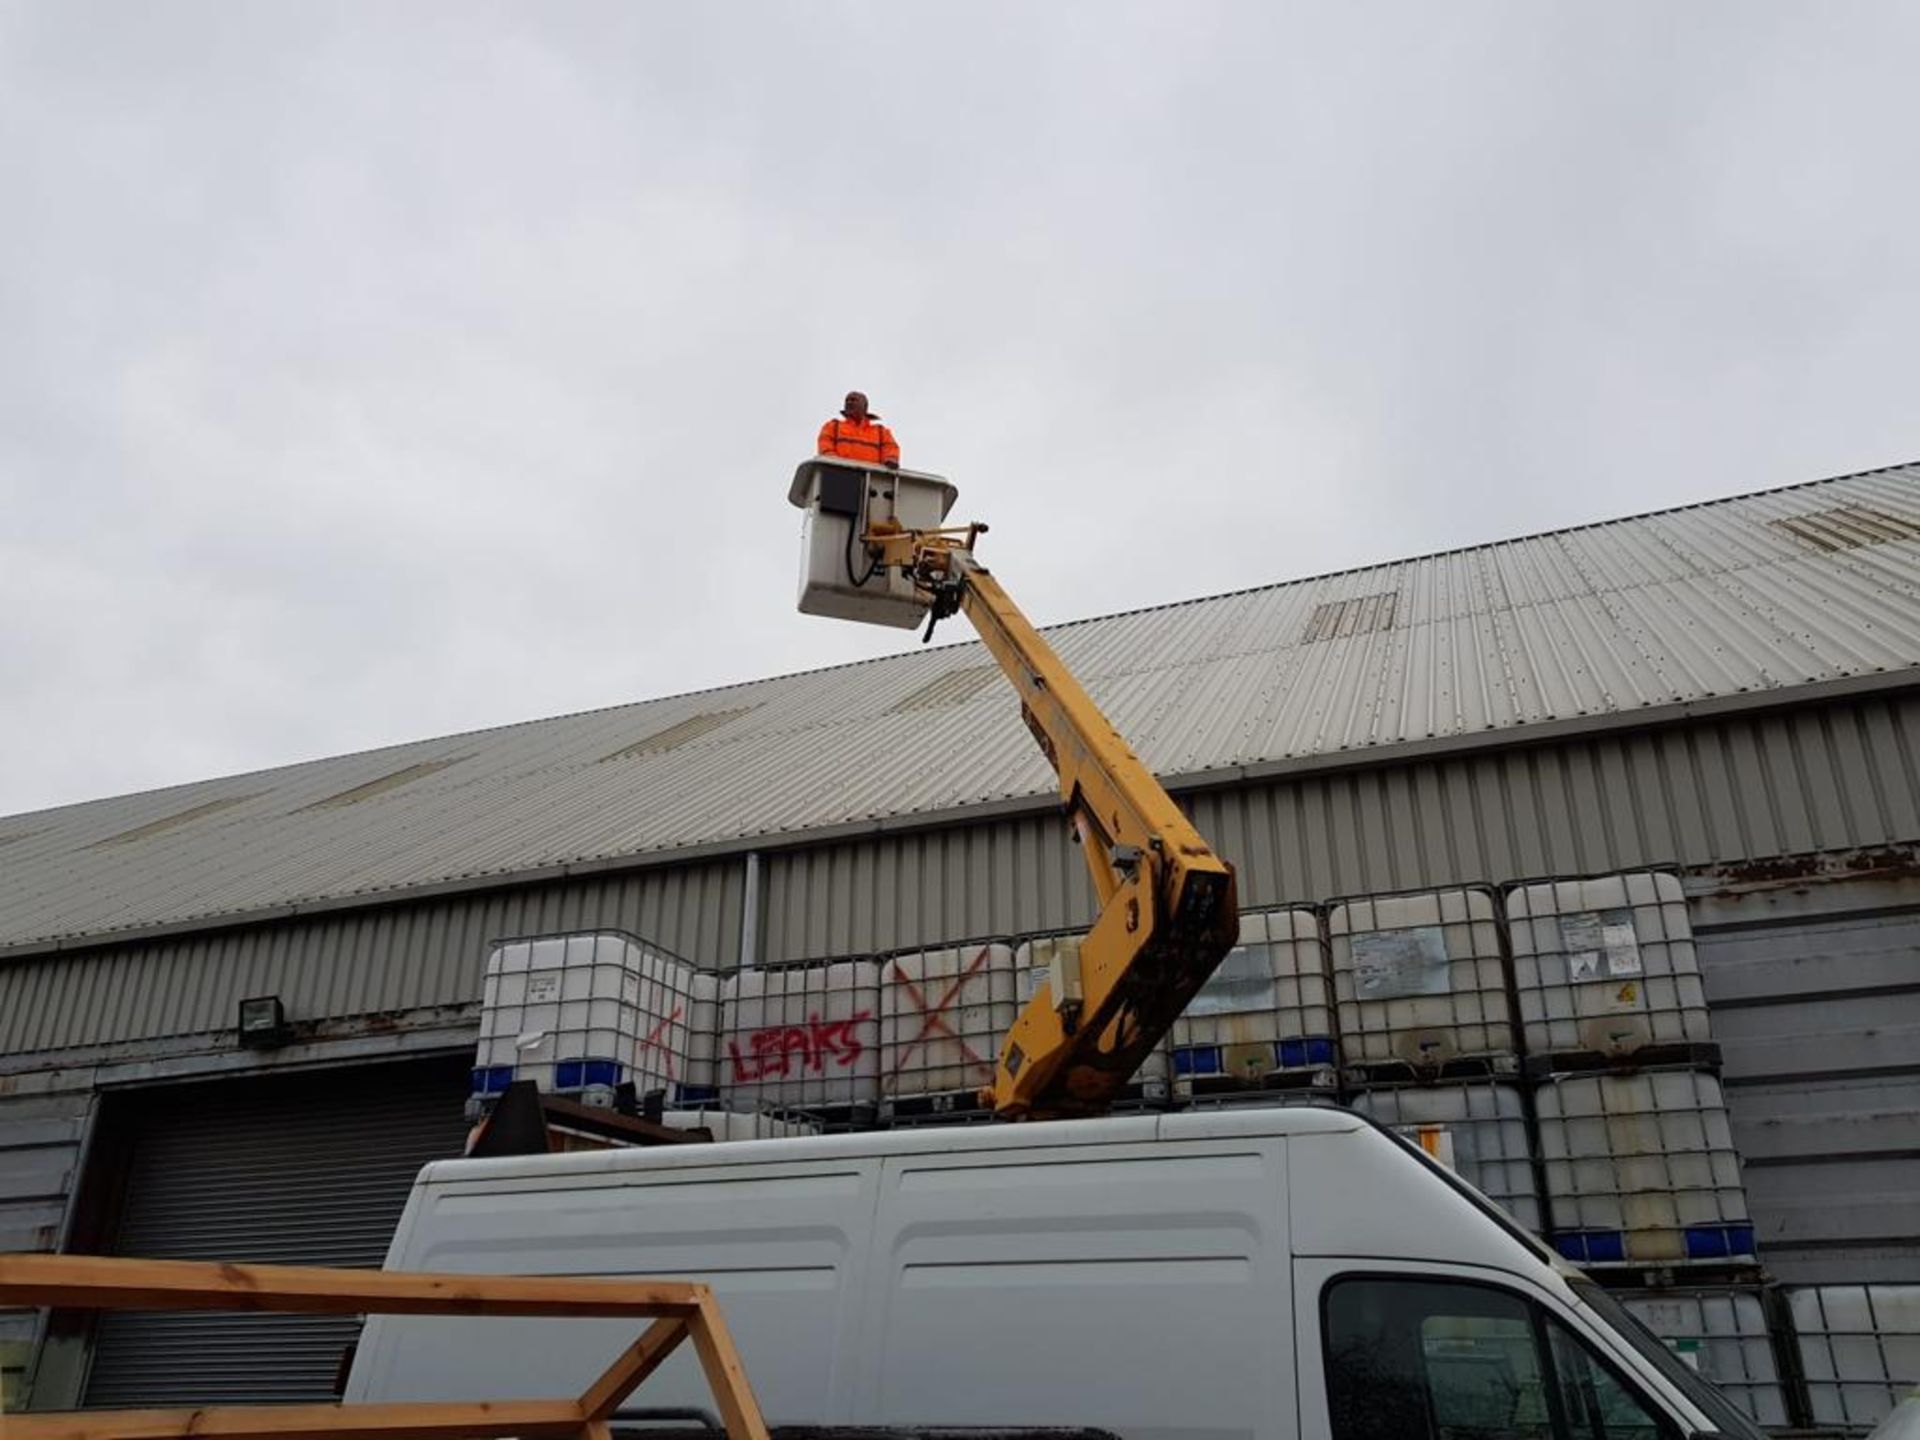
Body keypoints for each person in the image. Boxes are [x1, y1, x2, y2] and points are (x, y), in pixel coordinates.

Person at [817, 390, 900, 469]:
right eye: (847, 401)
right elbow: (825, 444)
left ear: (865, 406)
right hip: (840, 474)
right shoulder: (833, 426)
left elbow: (890, 447)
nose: (849, 402)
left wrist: (891, 459)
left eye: (853, 400)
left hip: (870, 478)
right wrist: (832, 460)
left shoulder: (881, 432)